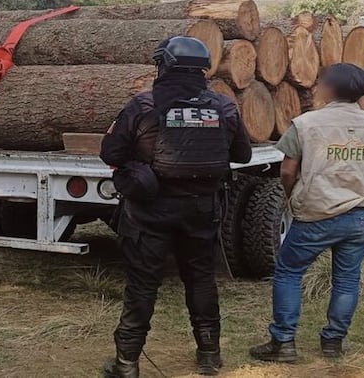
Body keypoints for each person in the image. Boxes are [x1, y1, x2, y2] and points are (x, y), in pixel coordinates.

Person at [101, 36, 253, 377]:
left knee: (142, 283)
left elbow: (110, 153)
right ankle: (210, 356)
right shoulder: (225, 107)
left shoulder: (142, 106)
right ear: (202, 69)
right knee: (201, 279)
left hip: (149, 211)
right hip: (202, 210)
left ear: (164, 66)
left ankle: (126, 364)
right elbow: (242, 154)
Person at [250, 63, 364, 363]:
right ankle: (333, 343)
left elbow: (288, 170)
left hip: (317, 215)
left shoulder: (306, 124)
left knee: (289, 272)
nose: (317, 87)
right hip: (362, 217)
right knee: (347, 279)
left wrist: (292, 197)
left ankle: (283, 343)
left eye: (321, 83)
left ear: (330, 88)